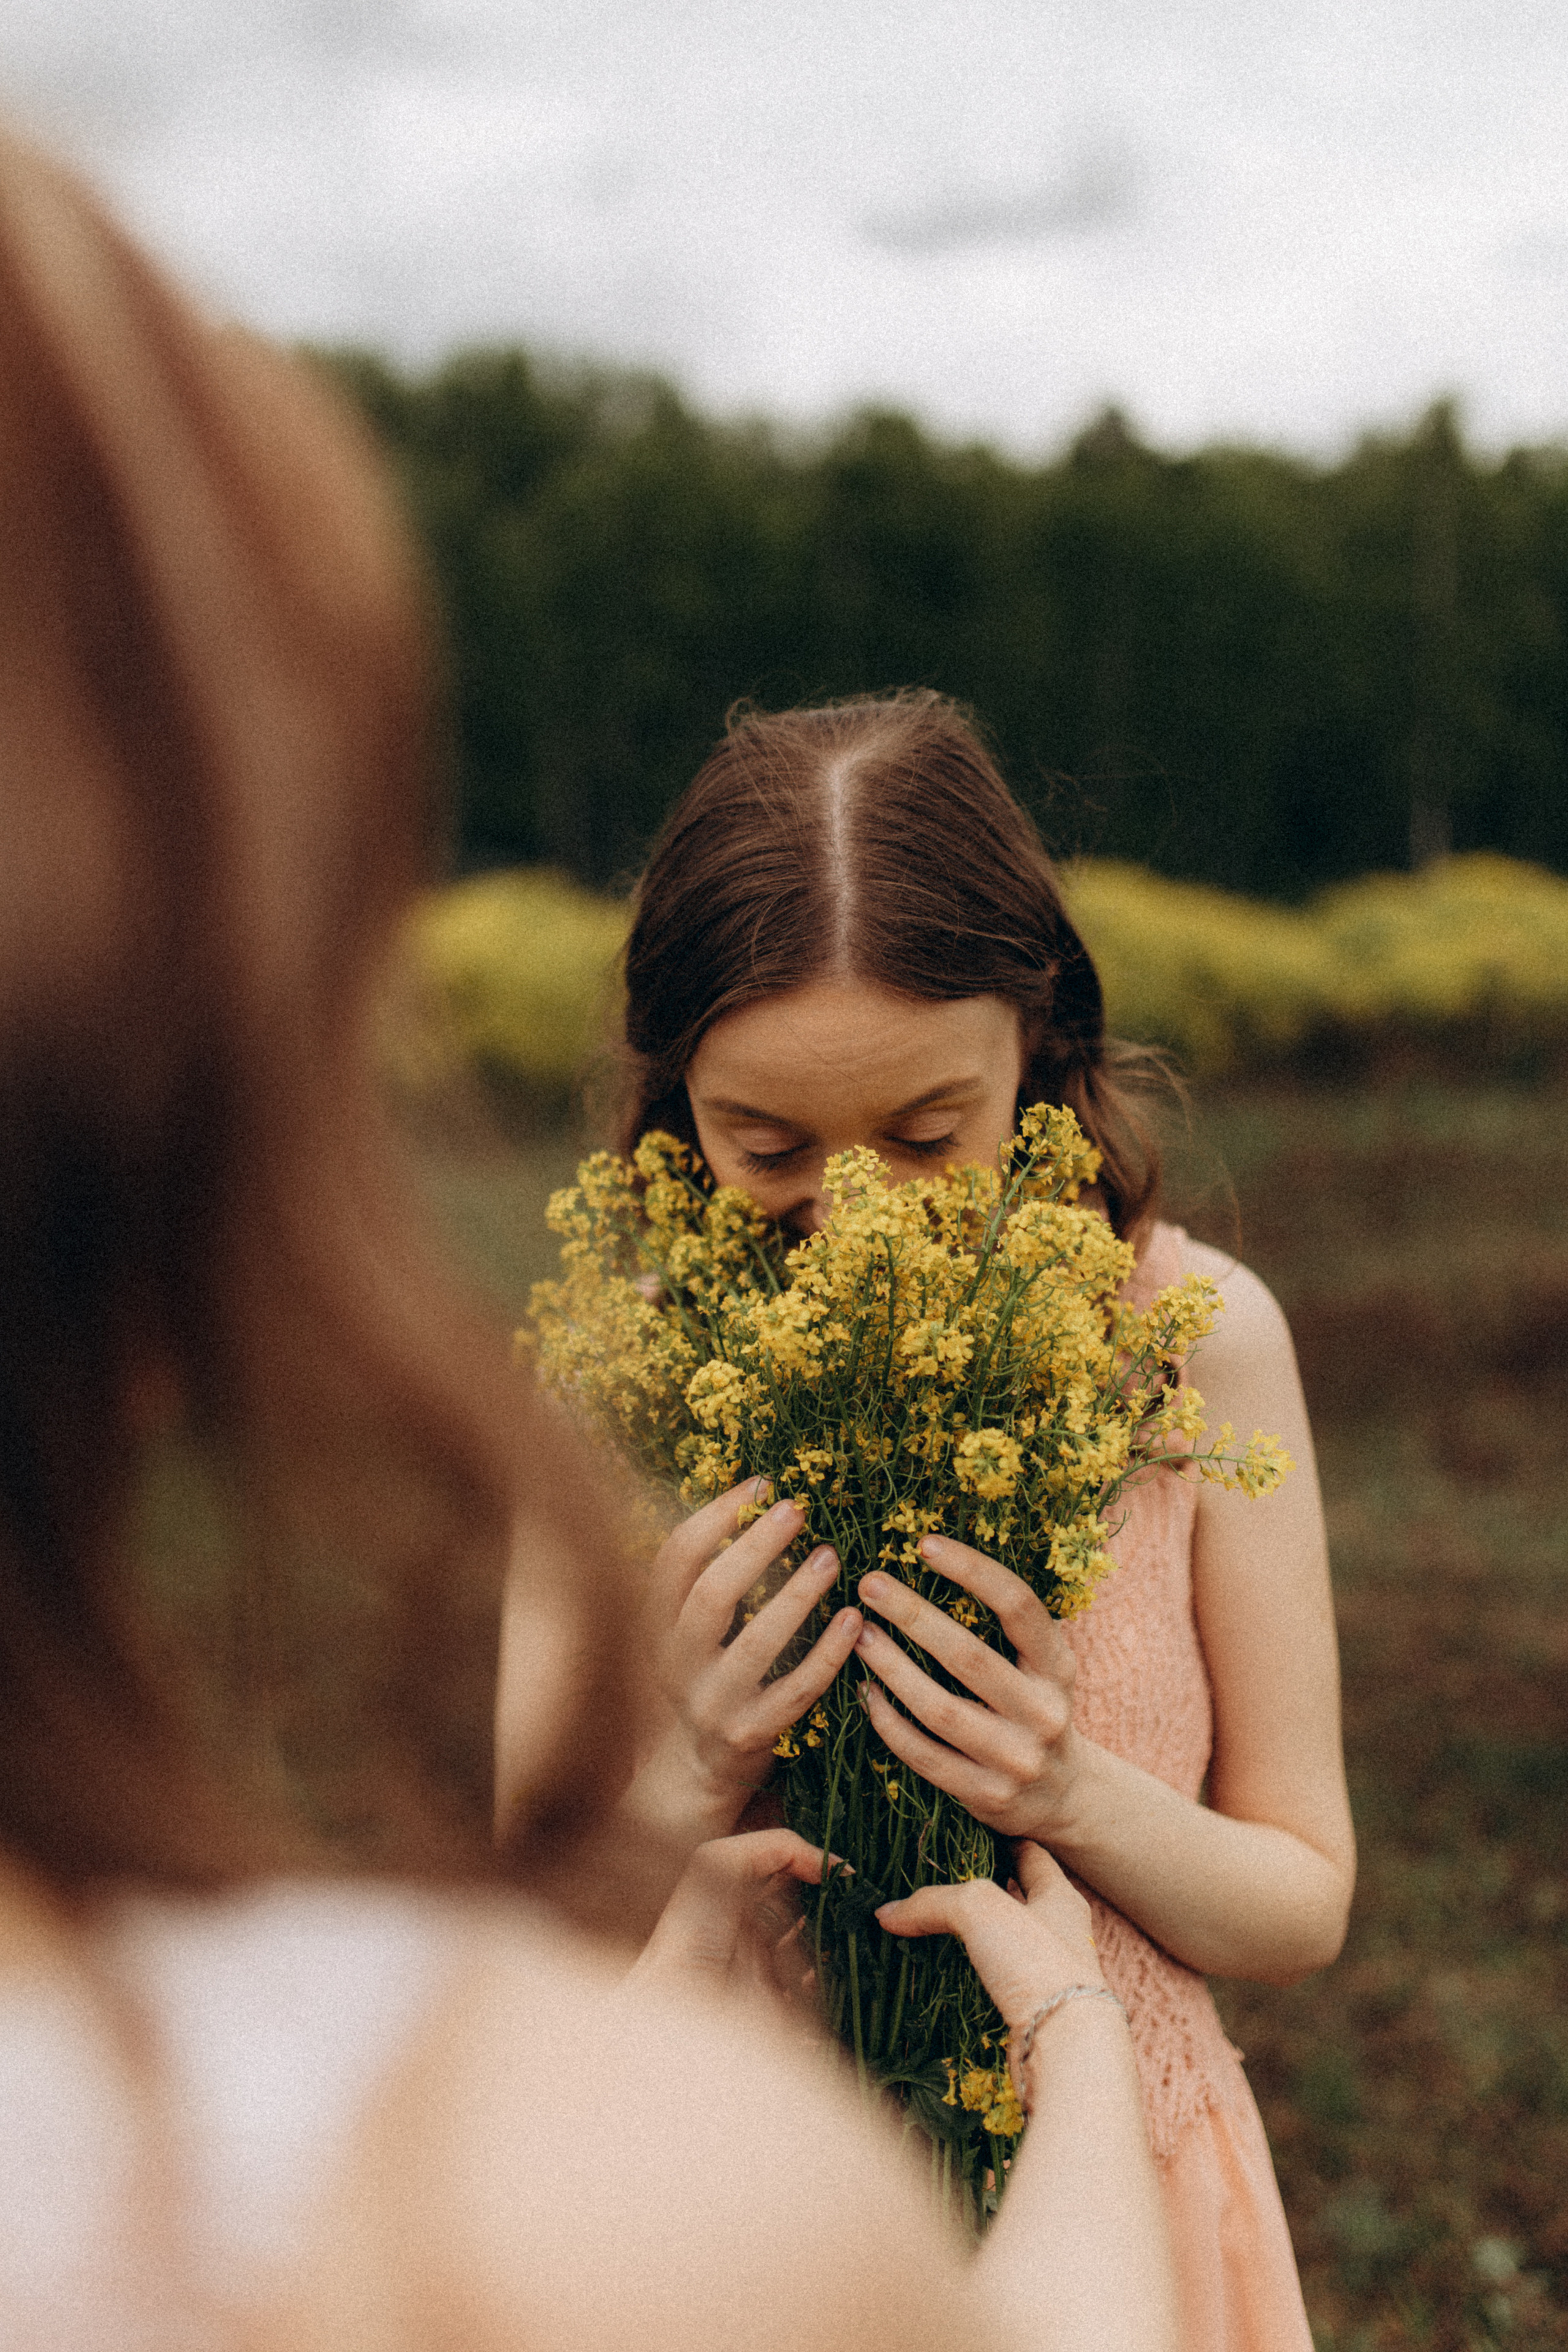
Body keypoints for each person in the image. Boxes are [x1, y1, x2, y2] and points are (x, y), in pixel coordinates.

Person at [0, 127, 1179, 2351]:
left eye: (931, 1138)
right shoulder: (502, 2209)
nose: (853, 1221)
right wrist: (1087, 2066)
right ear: (191, 1191)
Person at [503, 694, 1357, 2351]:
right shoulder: (608, 1393)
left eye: (925, 1137)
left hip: (1131, 2217)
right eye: (764, 1148)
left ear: (1038, 1041)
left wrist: (1066, 1791)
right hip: (724, 2226)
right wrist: (685, 1768)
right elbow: (518, 1929)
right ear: (675, 1098)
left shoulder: (1194, 1341)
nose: (856, 1218)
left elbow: (1301, 1900)